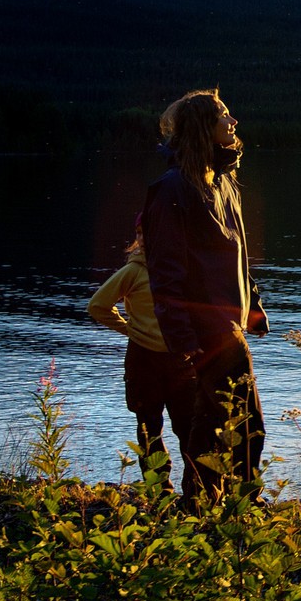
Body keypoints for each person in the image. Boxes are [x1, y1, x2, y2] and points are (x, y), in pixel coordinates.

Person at [140, 88, 270, 503]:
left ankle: (210, 502)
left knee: (219, 421)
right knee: (240, 422)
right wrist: (182, 339)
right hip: (206, 329)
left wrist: (253, 307)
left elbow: (237, 252)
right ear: (202, 128)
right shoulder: (172, 189)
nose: (233, 122)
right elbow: (165, 274)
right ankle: (228, 502)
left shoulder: (223, 182)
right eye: (223, 116)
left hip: (228, 322)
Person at [86, 217, 193, 487]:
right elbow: (97, 306)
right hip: (144, 359)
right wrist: (129, 330)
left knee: (187, 427)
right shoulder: (134, 270)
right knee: (149, 428)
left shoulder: (185, 266)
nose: (143, 239)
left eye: (148, 232)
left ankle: (196, 492)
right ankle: (159, 490)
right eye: (139, 233)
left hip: (180, 358)